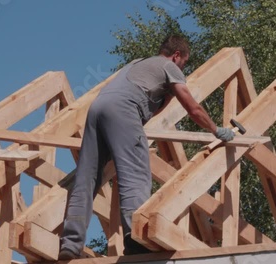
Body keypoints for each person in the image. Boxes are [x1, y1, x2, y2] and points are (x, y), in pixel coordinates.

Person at [58, 35, 235, 260]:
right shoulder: (169, 66)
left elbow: (152, 108)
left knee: (86, 179)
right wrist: (215, 129)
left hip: (97, 109)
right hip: (124, 109)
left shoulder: (138, 63)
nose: (183, 68)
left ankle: (70, 244)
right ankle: (135, 239)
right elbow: (193, 108)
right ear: (177, 55)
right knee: (136, 175)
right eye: (184, 63)